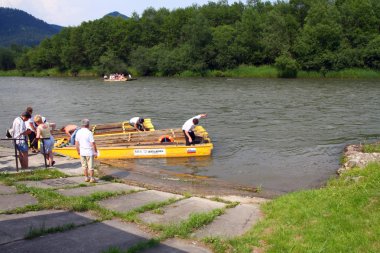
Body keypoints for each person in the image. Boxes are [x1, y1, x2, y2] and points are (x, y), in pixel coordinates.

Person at [75, 119, 98, 183]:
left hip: (82, 152)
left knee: (84, 166)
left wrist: (78, 151)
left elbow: (76, 143)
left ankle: (86, 178)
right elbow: (92, 143)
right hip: (89, 152)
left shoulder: (78, 132)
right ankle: (92, 178)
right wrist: (95, 152)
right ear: (88, 125)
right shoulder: (89, 132)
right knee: (91, 167)